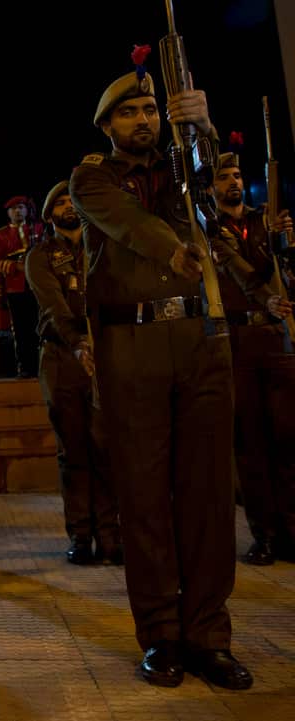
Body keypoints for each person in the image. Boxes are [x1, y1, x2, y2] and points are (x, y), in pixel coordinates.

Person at [69, 66, 252, 690]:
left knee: (207, 496)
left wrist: (200, 125)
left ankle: (209, 635)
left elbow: (208, 184)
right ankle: (162, 637)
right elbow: (124, 221)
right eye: (129, 112)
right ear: (107, 125)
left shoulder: (184, 170)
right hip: (132, 346)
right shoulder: (91, 178)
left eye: (150, 108)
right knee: (144, 498)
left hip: (201, 339)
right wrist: (168, 247)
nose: (143, 119)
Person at [25, 181, 120, 565]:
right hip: (63, 357)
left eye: (71, 201)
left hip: (103, 355)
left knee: (106, 448)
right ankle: (81, 535)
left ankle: (111, 535)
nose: (67, 207)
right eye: (59, 203)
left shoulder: (102, 249)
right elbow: (52, 305)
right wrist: (79, 342)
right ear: (49, 215)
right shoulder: (40, 255)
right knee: (74, 450)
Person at [210, 152, 295, 566]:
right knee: (251, 447)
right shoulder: (209, 231)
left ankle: (292, 532)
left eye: (238, 175)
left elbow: (285, 274)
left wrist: (287, 242)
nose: (233, 183)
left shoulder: (268, 222)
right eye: (224, 177)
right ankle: (265, 535)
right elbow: (232, 272)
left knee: (288, 440)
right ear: (212, 187)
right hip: (237, 340)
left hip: (276, 339)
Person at [0, 196, 44, 377]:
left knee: (41, 327)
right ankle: (25, 368)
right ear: (8, 213)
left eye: (21, 207)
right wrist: (16, 267)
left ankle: (43, 365)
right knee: (21, 331)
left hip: (38, 287)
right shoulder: (1, 234)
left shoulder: (38, 229)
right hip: (16, 288)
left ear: (27, 210)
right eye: (13, 209)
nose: (18, 211)